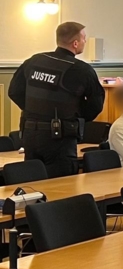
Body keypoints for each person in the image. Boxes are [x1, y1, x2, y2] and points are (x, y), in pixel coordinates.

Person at [9, 21, 105, 177]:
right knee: (62, 186)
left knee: (33, 182)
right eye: (83, 38)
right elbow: (96, 105)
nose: (85, 41)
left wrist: (35, 111)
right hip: (60, 138)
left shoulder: (34, 61)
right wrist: (73, 115)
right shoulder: (81, 69)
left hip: (30, 134)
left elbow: (14, 91)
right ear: (75, 43)